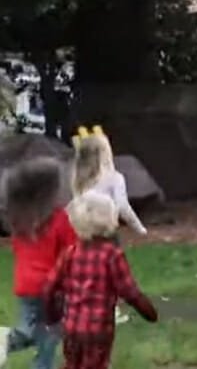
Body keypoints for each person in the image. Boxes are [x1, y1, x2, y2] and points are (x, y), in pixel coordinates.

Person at [42, 191, 158, 369]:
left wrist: (52, 316)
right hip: (98, 331)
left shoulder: (70, 254)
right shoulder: (112, 255)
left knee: (73, 364)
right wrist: (149, 313)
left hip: (71, 328)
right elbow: (130, 292)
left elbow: (49, 288)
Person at [0, 157, 77, 369]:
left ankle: (9, 342)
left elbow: (19, 250)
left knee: (31, 329)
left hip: (25, 285)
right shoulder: (60, 219)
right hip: (51, 286)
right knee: (49, 334)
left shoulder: (19, 219)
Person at [72, 126, 148, 324]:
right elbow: (123, 207)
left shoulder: (79, 179)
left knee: (88, 271)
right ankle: (109, 311)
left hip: (83, 232)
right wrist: (139, 228)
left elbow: (76, 206)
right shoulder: (115, 178)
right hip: (107, 232)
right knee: (111, 272)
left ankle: (85, 307)